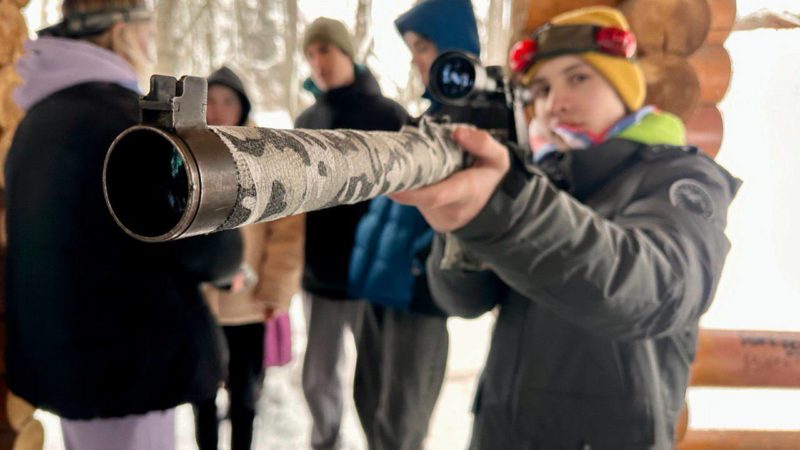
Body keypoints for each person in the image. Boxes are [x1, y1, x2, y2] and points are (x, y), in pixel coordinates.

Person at [391, 6, 741, 449]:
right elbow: (463, 300)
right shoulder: (538, 177)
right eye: (542, 87)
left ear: (626, 88)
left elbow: (657, 286)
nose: (556, 101)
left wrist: (508, 208)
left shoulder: (679, 177)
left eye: (579, 78)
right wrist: (461, 228)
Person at [3, 2, 243, 449]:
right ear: (120, 31)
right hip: (131, 368)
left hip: (67, 365)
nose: (152, 42)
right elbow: (214, 250)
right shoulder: (131, 123)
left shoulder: (34, 121)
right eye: (147, 29)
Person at [346, 2, 499, 448]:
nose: (416, 59)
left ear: (453, 47)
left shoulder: (480, 122)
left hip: (419, 293)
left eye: (423, 47)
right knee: (368, 402)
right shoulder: (427, 115)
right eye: (413, 49)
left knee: (401, 423)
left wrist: (424, 263)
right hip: (380, 285)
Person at [294, 17, 407, 450]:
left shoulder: (388, 115)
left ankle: (383, 441)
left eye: (325, 50)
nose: (317, 62)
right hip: (319, 274)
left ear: (347, 53)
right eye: (310, 54)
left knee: (377, 374)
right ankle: (326, 441)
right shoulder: (306, 118)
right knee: (318, 375)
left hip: (372, 276)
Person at [192, 66, 305, 450]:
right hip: (201, 303)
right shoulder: (182, 151)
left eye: (228, 101)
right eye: (212, 101)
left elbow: (287, 232)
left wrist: (275, 291)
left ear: (242, 106)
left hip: (248, 302)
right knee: (202, 395)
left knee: (244, 395)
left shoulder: (266, 157)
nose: (219, 110)